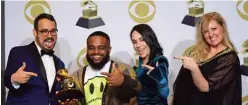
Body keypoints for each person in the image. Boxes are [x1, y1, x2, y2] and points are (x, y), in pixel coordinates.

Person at [172, 12, 241, 105]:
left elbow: (205, 87)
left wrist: (195, 68)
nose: (211, 34)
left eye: (214, 29)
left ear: (222, 28)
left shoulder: (230, 58)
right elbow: (180, 86)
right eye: (206, 31)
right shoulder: (194, 52)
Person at [60, 31, 141, 105]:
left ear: (109, 49)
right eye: (91, 48)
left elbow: (137, 90)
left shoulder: (122, 68)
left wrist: (123, 81)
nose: (96, 52)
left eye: (101, 48)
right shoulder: (76, 76)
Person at [4, 13, 65, 105]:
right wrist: (14, 79)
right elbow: (7, 81)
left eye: (53, 31)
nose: (49, 36)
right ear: (35, 33)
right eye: (44, 31)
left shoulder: (60, 64)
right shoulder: (19, 53)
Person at [130, 24, 169, 105]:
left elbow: (164, 93)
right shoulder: (138, 67)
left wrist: (160, 79)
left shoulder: (159, 61)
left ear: (150, 39)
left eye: (142, 39)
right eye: (134, 42)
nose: (138, 45)